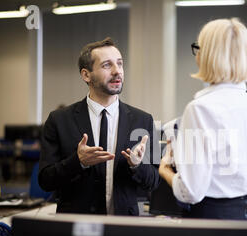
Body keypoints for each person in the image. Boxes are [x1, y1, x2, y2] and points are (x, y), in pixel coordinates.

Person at [158, 18, 247, 220]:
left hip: (209, 220)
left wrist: (165, 170)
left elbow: (191, 192)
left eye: (198, 48)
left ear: (207, 55)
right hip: (245, 215)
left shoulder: (200, 109)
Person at [39, 37, 160, 215]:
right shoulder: (59, 120)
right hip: (76, 227)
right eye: (106, 65)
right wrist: (77, 162)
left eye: (119, 64)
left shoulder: (142, 120)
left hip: (123, 227)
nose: (117, 71)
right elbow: (45, 181)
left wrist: (136, 165)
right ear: (86, 75)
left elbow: (154, 181)